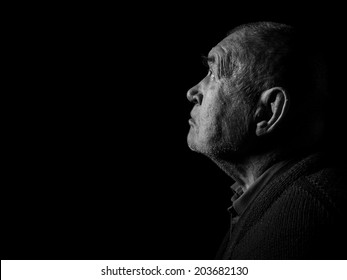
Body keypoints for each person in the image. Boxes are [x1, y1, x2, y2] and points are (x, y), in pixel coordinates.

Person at [186, 21, 347, 259]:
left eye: (213, 73)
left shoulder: (303, 220)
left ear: (268, 112)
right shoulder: (262, 197)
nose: (192, 92)